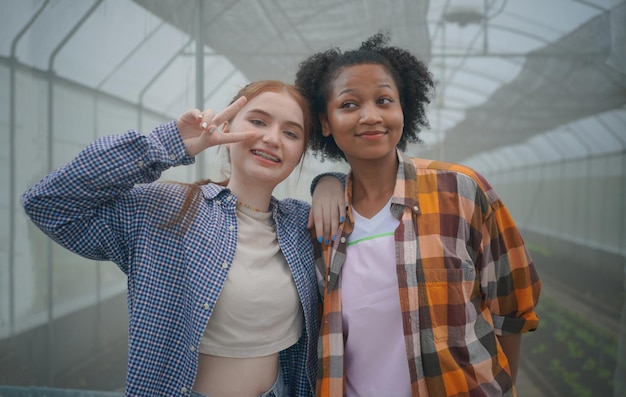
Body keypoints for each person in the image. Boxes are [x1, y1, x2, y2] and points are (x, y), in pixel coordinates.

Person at [21, 80, 319, 397]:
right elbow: (48, 202)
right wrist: (169, 144)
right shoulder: (168, 210)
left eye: (291, 133)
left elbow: (370, 205)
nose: (272, 138)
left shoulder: (302, 225)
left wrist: (330, 182)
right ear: (226, 128)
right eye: (258, 121)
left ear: (300, 152)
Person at [297, 33, 542, 397]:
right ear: (326, 122)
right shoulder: (324, 221)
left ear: (403, 109)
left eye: (384, 100)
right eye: (349, 104)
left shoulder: (462, 190)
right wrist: (326, 182)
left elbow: (512, 308)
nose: (370, 116)